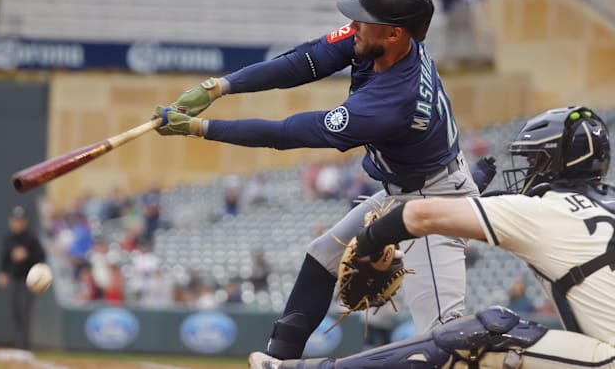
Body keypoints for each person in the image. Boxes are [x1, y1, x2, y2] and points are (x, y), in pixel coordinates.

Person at [153, 0, 480, 360]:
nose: (353, 26)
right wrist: (219, 87)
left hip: (436, 205)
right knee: (323, 254)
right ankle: (278, 360)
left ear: (394, 33)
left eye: (364, 19)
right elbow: (304, 62)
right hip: (407, 192)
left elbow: (288, 133)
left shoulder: (394, 99)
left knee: (442, 343)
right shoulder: (382, 43)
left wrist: (201, 128)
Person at [249, 105, 615, 368]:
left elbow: (421, 213)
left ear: (554, 165)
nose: (528, 172)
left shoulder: (545, 209)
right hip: (597, 351)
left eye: (535, 162)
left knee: (486, 332)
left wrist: (371, 240)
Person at [0, 205, 46, 350]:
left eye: (20, 220)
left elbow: (41, 256)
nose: (17, 223)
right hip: (15, 278)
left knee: (25, 312)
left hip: (29, 281)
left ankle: (24, 346)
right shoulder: (8, 238)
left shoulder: (31, 238)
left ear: (25, 222)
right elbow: (5, 257)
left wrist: (26, 255)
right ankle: (19, 343)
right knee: (16, 311)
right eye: (15, 220)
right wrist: (3, 272)